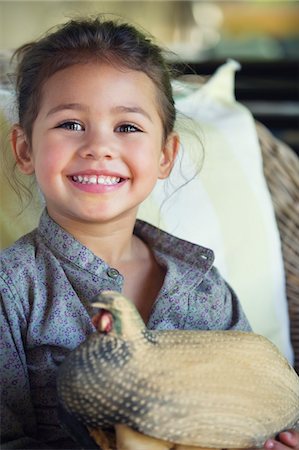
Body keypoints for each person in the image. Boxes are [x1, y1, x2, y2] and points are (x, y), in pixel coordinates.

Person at [0, 16, 298, 450]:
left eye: (127, 127)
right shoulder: (12, 288)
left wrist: (275, 438)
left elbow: (254, 400)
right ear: (25, 149)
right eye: (70, 124)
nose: (99, 146)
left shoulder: (204, 286)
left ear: (165, 155)